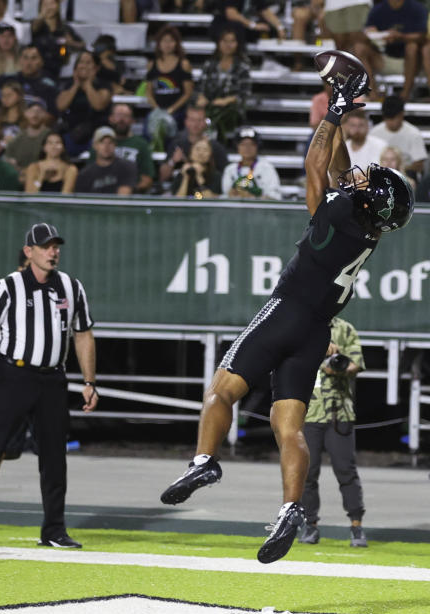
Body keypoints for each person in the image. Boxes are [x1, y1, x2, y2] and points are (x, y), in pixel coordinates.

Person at [159, 71, 414, 565]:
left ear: (364, 199)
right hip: (315, 332)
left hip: (286, 310)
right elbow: (344, 174)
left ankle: (205, 461)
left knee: (222, 390)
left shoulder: (338, 213)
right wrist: (341, 121)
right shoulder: (368, 230)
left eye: (368, 181)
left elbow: (317, 165)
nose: (362, 176)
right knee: (287, 425)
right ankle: (291, 507)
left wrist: (334, 112)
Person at [0, 222, 98, 549]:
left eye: (56, 246)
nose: (53, 251)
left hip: (52, 379)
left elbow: (84, 333)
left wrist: (90, 381)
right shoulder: (7, 287)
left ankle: (54, 530)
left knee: (53, 457)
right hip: (12, 376)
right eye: (46, 246)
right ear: (28, 251)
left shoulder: (71, 288)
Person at [297, 317, 369, 547]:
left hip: (339, 413)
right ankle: (310, 524)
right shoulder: (301, 327)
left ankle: (356, 526)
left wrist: (339, 365)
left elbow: (356, 364)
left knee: (346, 470)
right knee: (307, 472)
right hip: (308, 412)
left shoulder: (345, 329)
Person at [358, 0, 428, 101]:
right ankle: (372, 93)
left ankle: (405, 94)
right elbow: (366, 33)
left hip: (413, 60)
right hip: (385, 57)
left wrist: (401, 36)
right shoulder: (378, 9)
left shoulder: (417, 8)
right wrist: (373, 34)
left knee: (412, 47)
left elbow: (423, 36)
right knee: (360, 47)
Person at [195, 28, 251, 144]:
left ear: (237, 44)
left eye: (232, 41)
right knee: (199, 114)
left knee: (217, 118)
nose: (228, 45)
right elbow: (201, 87)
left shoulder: (242, 66)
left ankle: (216, 146)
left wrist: (226, 100)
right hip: (210, 105)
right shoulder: (209, 64)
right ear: (219, 43)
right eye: (225, 41)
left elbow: (244, 93)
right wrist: (201, 97)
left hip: (231, 109)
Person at [0, 46, 58, 134]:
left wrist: (26, 137)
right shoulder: (5, 78)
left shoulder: (49, 85)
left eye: (34, 58)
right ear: (20, 60)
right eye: (25, 57)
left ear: (41, 62)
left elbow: (52, 116)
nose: (28, 62)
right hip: (2, 129)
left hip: (33, 133)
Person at [56, 51, 112, 157]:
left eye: (88, 62)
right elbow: (61, 106)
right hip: (72, 131)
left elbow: (98, 105)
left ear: (96, 68)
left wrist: (88, 84)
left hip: (95, 132)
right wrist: (76, 85)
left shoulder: (103, 85)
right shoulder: (68, 84)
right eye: (81, 62)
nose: (84, 66)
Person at [145, 26, 194, 146]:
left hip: (177, 110)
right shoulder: (152, 64)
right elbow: (148, 92)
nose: (167, 44)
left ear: (176, 43)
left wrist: (171, 110)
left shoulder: (184, 64)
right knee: (149, 127)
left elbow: (188, 93)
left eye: (171, 41)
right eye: (164, 41)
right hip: (158, 109)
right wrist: (157, 109)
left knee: (171, 127)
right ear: (159, 43)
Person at [90, 103, 155, 194]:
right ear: (111, 118)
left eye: (126, 116)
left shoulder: (141, 144)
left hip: (131, 197)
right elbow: (89, 175)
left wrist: (129, 192)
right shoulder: (99, 144)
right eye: (118, 115)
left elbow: (147, 179)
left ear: (132, 120)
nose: (121, 120)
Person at [160, 104, 229, 187]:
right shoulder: (177, 145)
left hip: (207, 194)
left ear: (205, 123)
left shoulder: (216, 147)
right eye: (192, 120)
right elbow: (163, 177)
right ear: (186, 122)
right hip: (180, 194)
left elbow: (225, 178)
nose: (195, 124)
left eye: (199, 120)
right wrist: (173, 161)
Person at [369, 96, 427, 174]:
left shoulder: (413, 133)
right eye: (388, 118)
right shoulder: (374, 133)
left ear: (402, 114)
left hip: (405, 174)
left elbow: (419, 164)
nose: (390, 122)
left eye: (393, 118)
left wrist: (398, 168)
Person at [221, 127, 281, 200]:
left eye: (251, 144)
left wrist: (253, 198)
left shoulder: (267, 168)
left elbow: (275, 198)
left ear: (258, 147)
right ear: (237, 147)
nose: (247, 148)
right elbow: (225, 196)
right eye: (243, 144)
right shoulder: (230, 169)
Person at [75, 126, 137, 195]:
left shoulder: (127, 167)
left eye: (110, 142)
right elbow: (83, 201)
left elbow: (123, 199)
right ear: (95, 145)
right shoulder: (84, 174)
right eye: (102, 142)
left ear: (115, 145)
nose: (106, 146)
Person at [30, 0, 82, 80]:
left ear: (57, 6)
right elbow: (34, 28)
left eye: (51, 3)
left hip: (59, 67)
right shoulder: (36, 26)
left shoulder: (65, 28)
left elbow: (82, 44)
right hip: (38, 70)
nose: (49, 7)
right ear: (40, 7)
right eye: (45, 4)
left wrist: (71, 43)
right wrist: (42, 15)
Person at [5, 96, 50, 172]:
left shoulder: (51, 137)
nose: (35, 115)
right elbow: (8, 160)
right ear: (25, 113)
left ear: (45, 114)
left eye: (39, 111)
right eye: (31, 111)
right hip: (19, 178)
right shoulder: (18, 138)